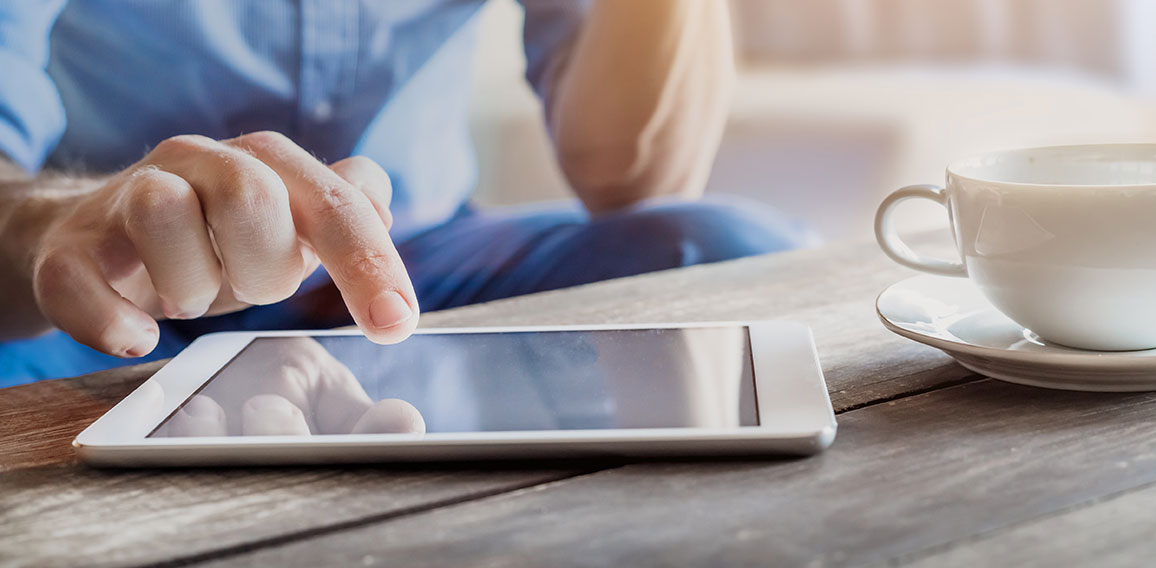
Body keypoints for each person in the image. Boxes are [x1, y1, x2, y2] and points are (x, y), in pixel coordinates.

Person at [0, 1, 815, 387]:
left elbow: (634, 178)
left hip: (423, 268)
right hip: (118, 284)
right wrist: (51, 227)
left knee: (733, 268)